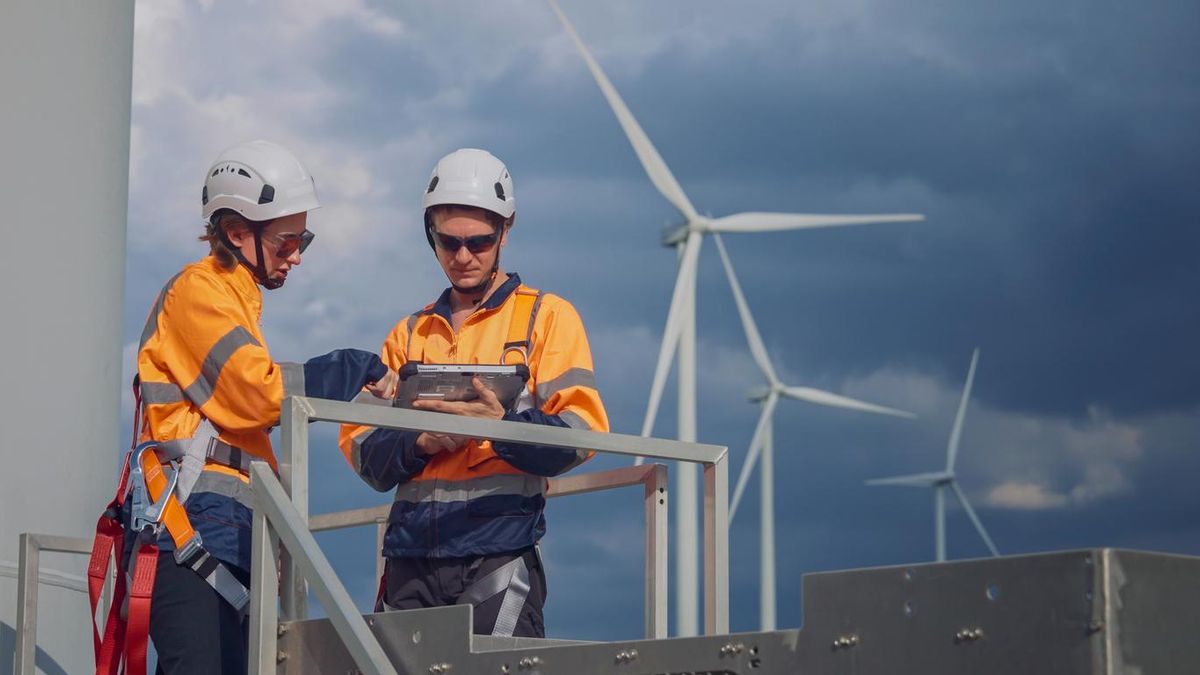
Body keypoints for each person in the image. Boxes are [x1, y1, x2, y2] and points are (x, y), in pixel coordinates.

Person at [104, 140, 398, 675]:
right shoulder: (199, 292)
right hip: (189, 532)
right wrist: (352, 366)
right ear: (238, 233)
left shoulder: (233, 299)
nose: (298, 254)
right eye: (288, 240)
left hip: (223, 533)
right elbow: (258, 396)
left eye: (302, 238)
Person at [338, 148, 608, 638]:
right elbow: (359, 447)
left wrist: (499, 429)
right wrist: (419, 441)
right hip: (410, 557)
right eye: (448, 242)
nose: (463, 256)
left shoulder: (546, 317)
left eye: (479, 242)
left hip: (498, 550)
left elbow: (583, 433)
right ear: (431, 236)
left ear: (506, 231)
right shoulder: (409, 333)